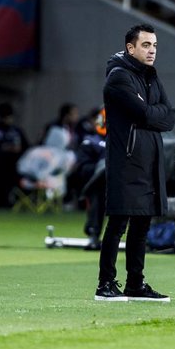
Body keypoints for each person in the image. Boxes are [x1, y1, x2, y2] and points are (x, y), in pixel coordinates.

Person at [96, 23, 175, 302]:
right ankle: (105, 284)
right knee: (118, 223)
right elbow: (144, 112)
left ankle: (135, 284)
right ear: (130, 48)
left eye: (154, 45)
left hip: (150, 161)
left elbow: (170, 117)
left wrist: (152, 114)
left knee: (142, 226)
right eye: (146, 45)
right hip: (126, 161)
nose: (152, 50)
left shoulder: (151, 77)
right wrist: (153, 113)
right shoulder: (119, 77)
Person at [70, 106, 107, 250]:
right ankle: (94, 232)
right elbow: (83, 168)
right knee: (97, 190)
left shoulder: (127, 142)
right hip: (102, 183)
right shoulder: (90, 142)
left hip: (126, 182)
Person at [0, 102, 29, 208]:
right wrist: (4, 148)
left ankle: (9, 201)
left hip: (15, 164)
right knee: (0, 178)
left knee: (15, 179)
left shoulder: (16, 130)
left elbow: (26, 146)